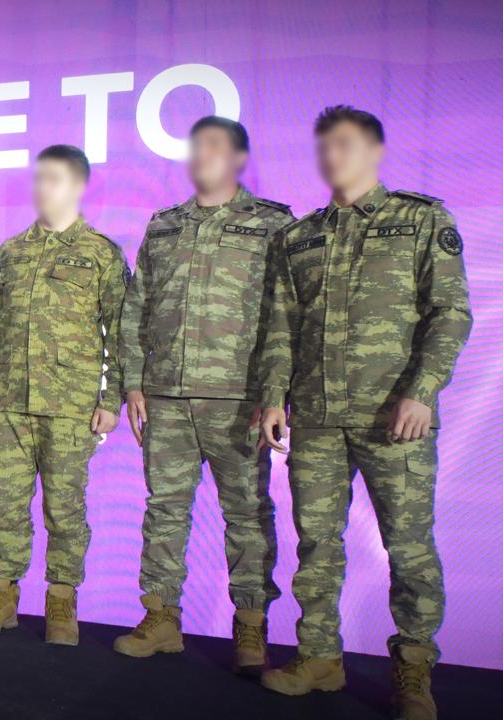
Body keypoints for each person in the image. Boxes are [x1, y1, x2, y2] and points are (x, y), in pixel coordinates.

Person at [257, 106, 471, 720]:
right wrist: (273, 396)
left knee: (408, 546)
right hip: (317, 416)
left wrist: (422, 391)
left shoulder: (421, 219)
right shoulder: (298, 237)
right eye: (324, 146)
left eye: (346, 145)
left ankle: (414, 671)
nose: (332, 156)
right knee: (317, 544)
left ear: (375, 151)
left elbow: (450, 313)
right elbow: (280, 326)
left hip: (393, 417)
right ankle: (319, 658)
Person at [114, 117, 292, 671]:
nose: (200, 154)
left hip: (238, 400)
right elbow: (136, 308)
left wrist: (275, 394)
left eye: (213, 145)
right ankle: (162, 617)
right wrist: (134, 381)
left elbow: (285, 317)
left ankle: (251, 626)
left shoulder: (273, 225)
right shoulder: (165, 225)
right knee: (164, 511)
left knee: (246, 514)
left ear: (239, 158)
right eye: (195, 147)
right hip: (166, 397)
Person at [0, 145, 129, 645]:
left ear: (78, 186)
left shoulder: (101, 252)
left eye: (53, 179)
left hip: (69, 405)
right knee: (7, 504)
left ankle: (61, 600)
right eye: (38, 178)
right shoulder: (12, 251)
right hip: (10, 402)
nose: (42, 188)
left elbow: (122, 330)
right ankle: (2, 596)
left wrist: (113, 398)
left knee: (64, 508)